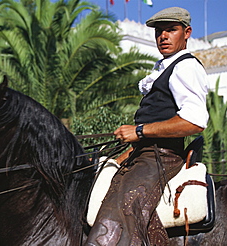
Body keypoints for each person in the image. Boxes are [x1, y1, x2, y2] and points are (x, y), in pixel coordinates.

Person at [85, 7, 208, 246]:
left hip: (162, 158)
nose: (163, 36)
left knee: (117, 214)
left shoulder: (186, 67)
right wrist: (120, 157)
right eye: (159, 31)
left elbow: (194, 122)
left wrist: (138, 131)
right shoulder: (162, 68)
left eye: (171, 30)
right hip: (142, 155)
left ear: (187, 33)